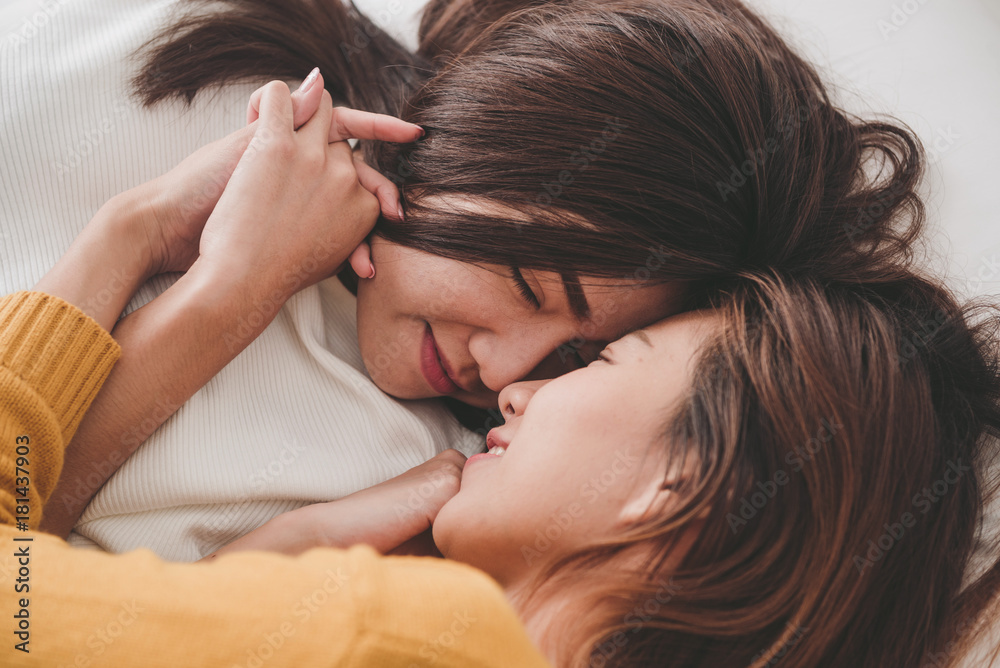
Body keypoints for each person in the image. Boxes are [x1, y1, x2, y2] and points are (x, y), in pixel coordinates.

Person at [2, 77, 998, 661]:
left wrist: (136, 241)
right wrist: (278, 557)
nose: (509, 389)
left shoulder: (418, 634)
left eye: (596, 357)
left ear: (687, 477)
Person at [9, 0, 930, 560]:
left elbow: (23, 597)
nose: (505, 374)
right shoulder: (163, 50)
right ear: (485, 145)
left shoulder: (420, 484)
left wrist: (220, 284)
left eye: (577, 354)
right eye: (533, 288)